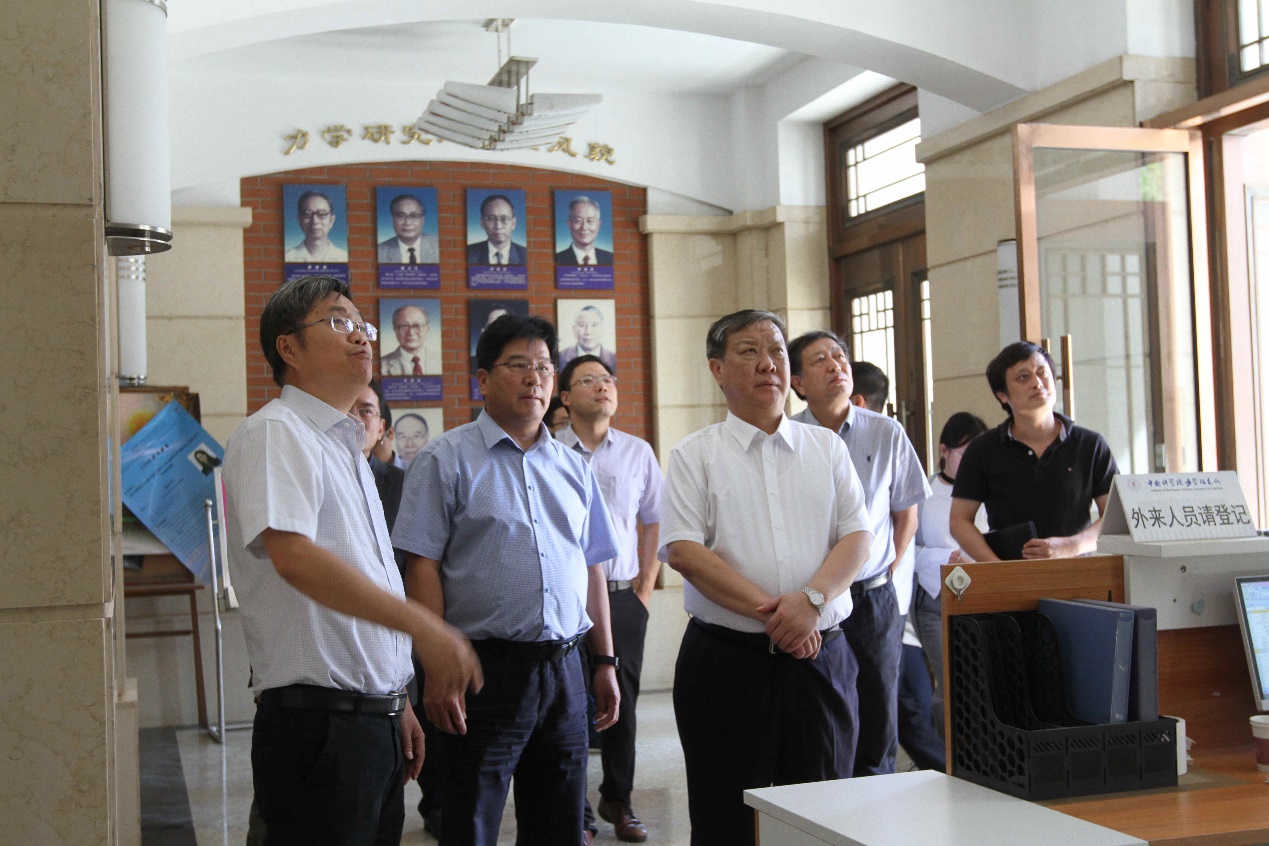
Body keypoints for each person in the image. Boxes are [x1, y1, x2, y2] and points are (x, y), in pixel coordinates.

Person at [221, 275, 481, 845]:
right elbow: (295, 558)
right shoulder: (277, 432)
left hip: (370, 720)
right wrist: (425, 627)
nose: (362, 336)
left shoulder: (347, 450)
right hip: (318, 726)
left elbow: (369, 580)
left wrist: (396, 700)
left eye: (362, 325)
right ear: (288, 347)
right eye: (339, 323)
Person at [392, 313, 623, 846]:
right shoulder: (445, 458)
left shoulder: (573, 465)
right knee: (471, 822)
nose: (533, 379)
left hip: (565, 669)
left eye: (543, 367)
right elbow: (422, 566)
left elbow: (592, 566)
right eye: (518, 365)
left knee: (560, 824)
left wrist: (605, 662)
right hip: (483, 671)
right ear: (483, 379)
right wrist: (436, 665)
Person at [663, 310, 872, 846]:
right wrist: (783, 616)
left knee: (824, 819)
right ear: (717, 369)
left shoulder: (826, 448)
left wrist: (810, 602)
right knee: (726, 820)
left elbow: (857, 537)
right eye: (749, 351)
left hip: (820, 659)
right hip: (727, 665)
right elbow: (685, 552)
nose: (767, 363)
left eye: (776, 350)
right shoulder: (694, 455)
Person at [789, 331, 930, 778]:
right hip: (812, 597)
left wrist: (886, 568)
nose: (836, 365)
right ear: (797, 382)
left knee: (877, 713)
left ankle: (877, 802)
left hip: (872, 598)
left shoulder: (886, 432)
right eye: (820, 360)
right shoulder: (788, 437)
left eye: (840, 356)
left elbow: (906, 514)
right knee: (819, 713)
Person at [556, 354, 663, 844]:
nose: (602, 386)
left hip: (622, 598)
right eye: (588, 380)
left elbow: (655, 520)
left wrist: (644, 588)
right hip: (565, 599)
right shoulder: (549, 450)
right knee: (571, 703)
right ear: (564, 397)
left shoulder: (637, 452)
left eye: (607, 379)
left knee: (623, 700)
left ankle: (618, 798)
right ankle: (576, 809)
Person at [950, 341, 1118, 563]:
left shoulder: (1090, 445)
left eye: (1042, 373)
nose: (1037, 383)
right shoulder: (983, 449)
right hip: (1011, 574)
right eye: (1023, 377)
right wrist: (998, 569)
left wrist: (1072, 546)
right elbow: (959, 521)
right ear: (1002, 395)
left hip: (1076, 571)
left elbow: (1115, 517)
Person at [912, 412, 988, 737]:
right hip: (936, 598)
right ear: (944, 451)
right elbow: (906, 550)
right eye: (965, 455)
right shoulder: (924, 494)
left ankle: (982, 748)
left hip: (983, 595)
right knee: (950, 680)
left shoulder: (989, 492)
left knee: (983, 679)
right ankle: (946, 754)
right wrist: (946, 557)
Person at [283, 190, 348, 263]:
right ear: (299, 220)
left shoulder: (343, 258)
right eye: (307, 214)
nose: (315, 221)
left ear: (331, 221)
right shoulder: (288, 258)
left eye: (322, 214)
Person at [465, 194, 527, 265]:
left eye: (504, 219)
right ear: (482, 223)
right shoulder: (470, 253)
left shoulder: (525, 255)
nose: (498, 226)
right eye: (491, 219)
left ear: (513, 223)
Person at [381, 304, 440, 377]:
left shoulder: (440, 361)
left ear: (427, 329)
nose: (411, 332)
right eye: (404, 326)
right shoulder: (382, 365)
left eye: (417, 326)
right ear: (395, 329)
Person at [379, 194, 439, 264]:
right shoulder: (380, 252)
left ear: (422, 219)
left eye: (414, 216)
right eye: (400, 216)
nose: (407, 222)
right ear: (393, 219)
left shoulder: (438, 246)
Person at [556, 196, 614, 266]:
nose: (584, 227)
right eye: (578, 221)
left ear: (598, 225)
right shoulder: (558, 259)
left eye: (590, 221)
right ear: (569, 224)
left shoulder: (610, 258)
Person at [558, 305, 617, 372]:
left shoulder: (612, 358)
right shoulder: (562, 357)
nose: (588, 331)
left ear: (602, 328)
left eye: (594, 325)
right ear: (574, 329)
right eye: (582, 325)